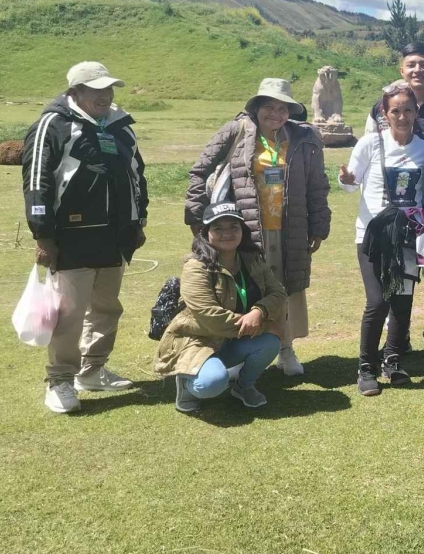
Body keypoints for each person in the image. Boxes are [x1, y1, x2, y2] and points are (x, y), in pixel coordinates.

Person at [22, 61, 148, 413]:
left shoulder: (121, 126)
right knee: (69, 312)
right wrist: (43, 235)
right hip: (71, 239)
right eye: (96, 90)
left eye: (109, 89)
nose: (105, 96)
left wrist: (138, 222)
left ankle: (92, 370)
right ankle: (60, 380)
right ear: (75, 92)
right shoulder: (54, 124)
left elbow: (138, 174)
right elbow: (37, 182)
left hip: (115, 238)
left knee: (107, 308)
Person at [186, 78, 330, 377]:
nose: (275, 113)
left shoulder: (303, 139)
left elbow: (317, 185)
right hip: (245, 229)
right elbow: (200, 171)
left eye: (282, 108)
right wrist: (198, 215)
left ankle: (285, 349)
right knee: (247, 289)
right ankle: (242, 351)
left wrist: (319, 224)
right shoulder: (236, 131)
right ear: (256, 108)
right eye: (269, 106)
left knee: (287, 288)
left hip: (290, 227)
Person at [365, 41, 424, 357]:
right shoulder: (380, 108)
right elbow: (370, 158)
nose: (418, 70)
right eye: (411, 64)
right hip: (392, 213)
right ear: (401, 69)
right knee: (395, 277)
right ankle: (397, 340)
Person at [340, 81, 424, 393]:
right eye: (396, 110)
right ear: (385, 113)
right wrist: (347, 180)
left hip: (408, 235)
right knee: (377, 301)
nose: (403, 116)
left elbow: (423, 194)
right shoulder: (370, 144)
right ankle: (366, 366)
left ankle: (393, 361)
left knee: (403, 301)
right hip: (372, 235)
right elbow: (351, 185)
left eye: (408, 110)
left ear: (417, 112)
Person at [154, 201, 287, 412]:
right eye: (218, 228)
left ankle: (243, 387)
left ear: (242, 230)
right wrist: (263, 325)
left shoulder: (251, 259)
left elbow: (278, 292)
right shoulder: (195, 267)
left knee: (269, 343)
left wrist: (259, 311)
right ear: (205, 232)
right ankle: (187, 383)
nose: (227, 233)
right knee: (212, 383)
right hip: (198, 339)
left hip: (234, 338)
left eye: (233, 227)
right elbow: (209, 316)